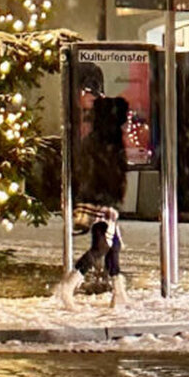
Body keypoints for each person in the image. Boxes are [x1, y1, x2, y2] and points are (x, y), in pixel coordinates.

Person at [54, 92, 129, 308]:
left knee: (112, 245)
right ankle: (70, 284)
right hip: (102, 201)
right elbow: (111, 174)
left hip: (98, 198)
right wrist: (111, 200)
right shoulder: (109, 142)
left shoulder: (97, 139)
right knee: (102, 246)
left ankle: (119, 292)